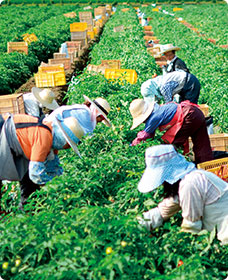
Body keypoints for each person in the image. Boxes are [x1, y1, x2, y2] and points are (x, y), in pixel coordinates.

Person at [137, 145, 228, 245]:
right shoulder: (188, 179)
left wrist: (178, 245)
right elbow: (164, 210)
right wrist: (134, 225)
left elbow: (191, 226)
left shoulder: (190, 183)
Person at [0, 112, 84, 210]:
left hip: (10, 137)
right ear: (63, 138)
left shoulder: (50, 135)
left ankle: (27, 210)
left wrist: (63, 184)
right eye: (68, 144)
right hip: (2, 131)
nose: (67, 148)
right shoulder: (44, 137)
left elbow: (54, 166)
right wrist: (52, 188)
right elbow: (35, 174)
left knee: (29, 183)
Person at [129, 98, 213, 164]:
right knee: (202, 144)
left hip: (189, 116)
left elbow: (145, 135)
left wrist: (132, 146)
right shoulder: (158, 108)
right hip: (195, 112)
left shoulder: (153, 118)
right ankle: (205, 167)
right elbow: (150, 133)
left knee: (171, 146)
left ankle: (176, 170)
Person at [45, 95, 111, 135]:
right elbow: (86, 137)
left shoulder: (84, 110)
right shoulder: (85, 114)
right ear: (97, 113)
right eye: (101, 118)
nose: (100, 121)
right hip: (51, 129)